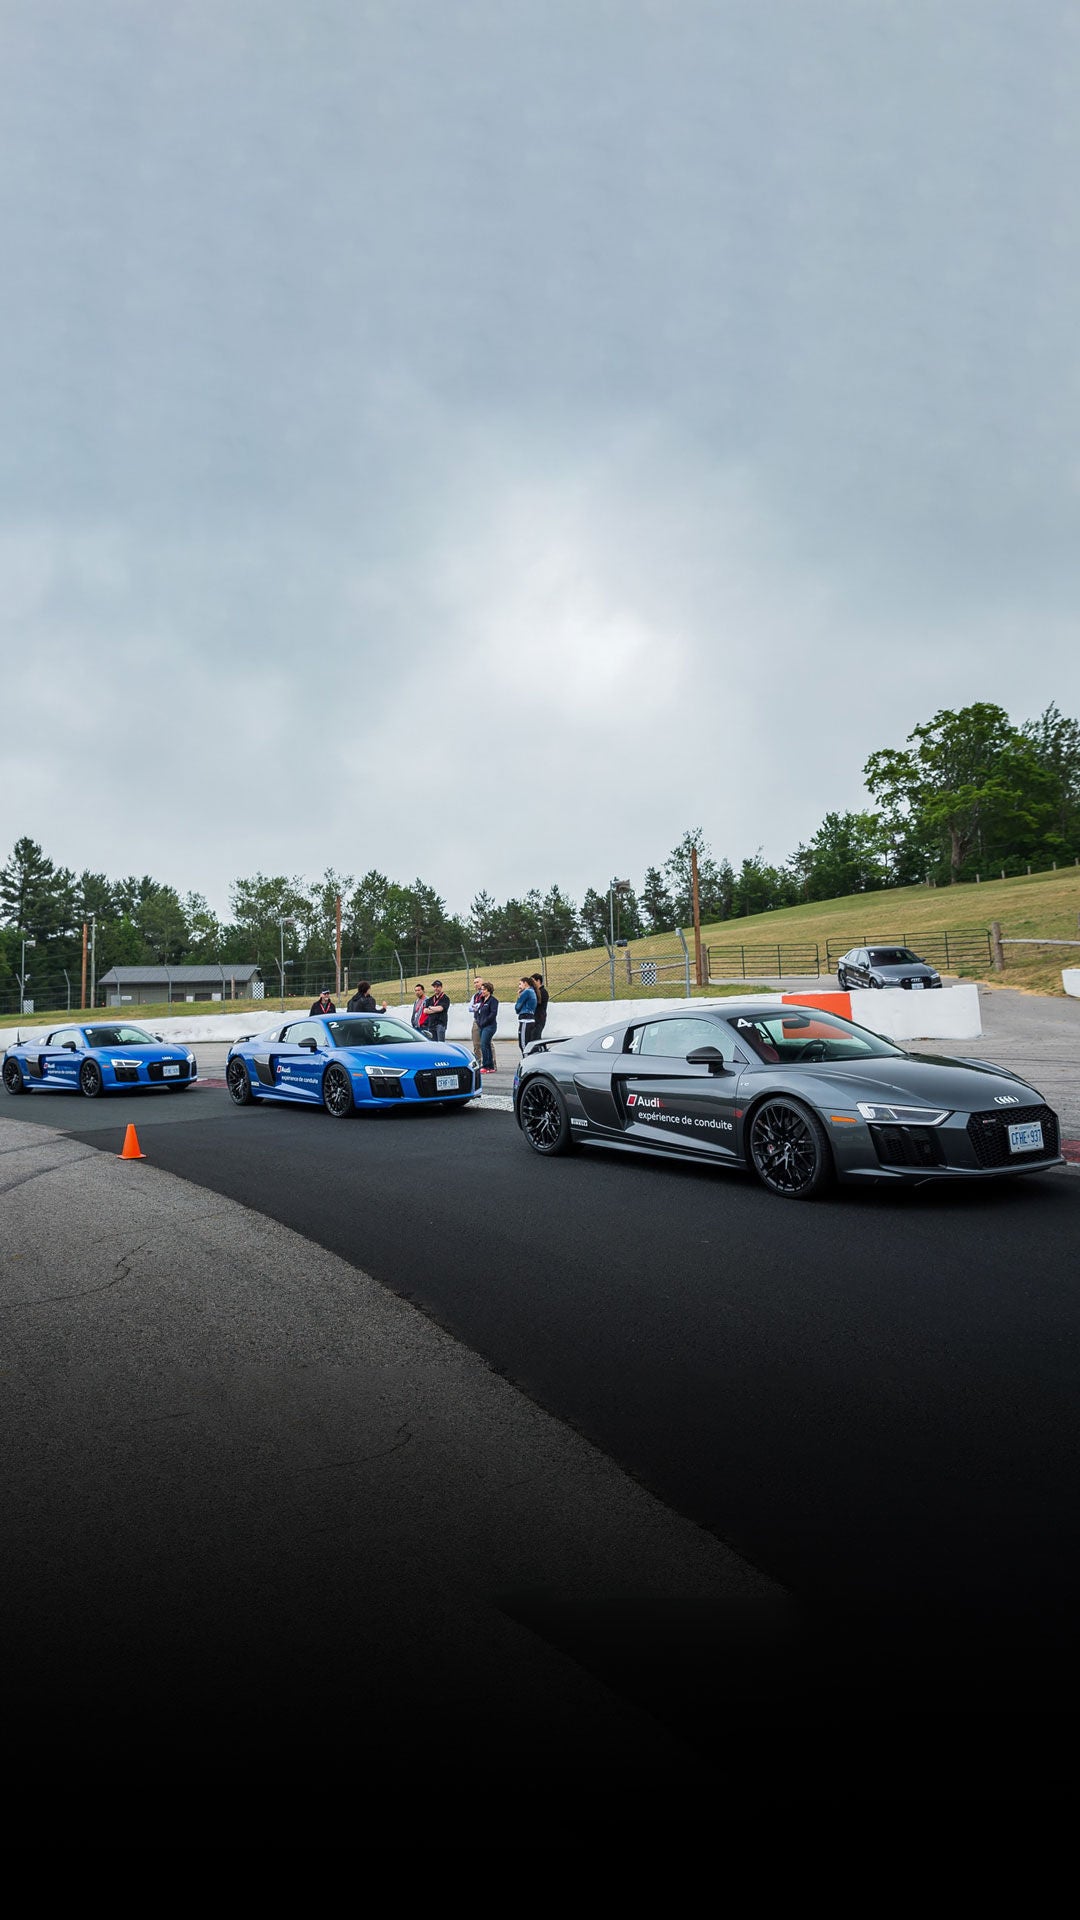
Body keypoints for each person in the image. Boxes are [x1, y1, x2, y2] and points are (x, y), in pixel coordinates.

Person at [475, 981, 499, 1073]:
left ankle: (486, 1065)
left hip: (490, 1026)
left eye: (484, 989)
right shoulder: (481, 1000)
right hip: (481, 1025)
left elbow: (493, 1014)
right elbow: (477, 1011)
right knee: (485, 1045)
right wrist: (478, 1020)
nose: (482, 991)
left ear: (489, 990)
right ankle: (490, 1066)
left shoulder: (493, 1001)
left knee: (484, 1044)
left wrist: (484, 1022)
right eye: (481, 990)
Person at [515, 976, 538, 1053]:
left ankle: (526, 1061)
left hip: (525, 1020)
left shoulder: (527, 992)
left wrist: (518, 997)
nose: (519, 986)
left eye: (520, 984)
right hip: (530, 1019)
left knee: (523, 1044)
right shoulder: (532, 991)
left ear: (525, 983)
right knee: (528, 1043)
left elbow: (517, 1007)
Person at [467, 981, 485, 1064]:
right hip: (476, 1020)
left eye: (477, 982)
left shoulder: (486, 995)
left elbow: (483, 1006)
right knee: (476, 1044)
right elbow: (470, 1008)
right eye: (474, 983)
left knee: (487, 1043)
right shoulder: (475, 996)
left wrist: (477, 1006)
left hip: (485, 1020)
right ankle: (478, 1062)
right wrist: (477, 1006)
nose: (476, 984)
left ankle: (491, 1063)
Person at [529, 973, 550, 1040]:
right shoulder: (535, 992)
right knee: (533, 1036)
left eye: (533, 981)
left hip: (539, 1018)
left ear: (538, 981)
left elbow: (535, 1003)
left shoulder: (542, 992)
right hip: (535, 1018)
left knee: (535, 1037)